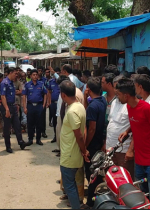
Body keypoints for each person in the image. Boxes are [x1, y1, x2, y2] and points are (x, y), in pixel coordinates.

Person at [116, 78, 150, 209]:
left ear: (126, 95)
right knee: (142, 197)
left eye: (118, 94)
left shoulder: (147, 108)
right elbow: (137, 122)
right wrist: (127, 131)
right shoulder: (129, 107)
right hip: (139, 161)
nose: (117, 97)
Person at [59, 80, 89, 210]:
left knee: (69, 186)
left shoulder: (72, 111)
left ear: (63, 95)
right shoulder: (79, 106)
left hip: (70, 156)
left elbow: (79, 135)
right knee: (72, 185)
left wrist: (84, 151)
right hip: (73, 154)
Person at [84, 77, 107, 208]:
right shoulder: (102, 101)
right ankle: (96, 198)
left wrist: (85, 146)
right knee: (97, 174)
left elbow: (91, 128)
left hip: (92, 145)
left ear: (89, 89)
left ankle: (91, 202)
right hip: (99, 142)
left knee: (91, 174)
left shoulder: (93, 106)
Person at [106, 75, 134, 177]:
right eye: (115, 88)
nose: (116, 91)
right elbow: (110, 123)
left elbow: (136, 129)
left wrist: (130, 150)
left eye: (118, 89)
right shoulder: (114, 102)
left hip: (123, 150)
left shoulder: (131, 105)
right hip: (110, 149)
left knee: (125, 178)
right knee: (112, 177)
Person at [0, 68, 29, 153]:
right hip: (7, 107)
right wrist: (6, 109)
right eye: (15, 73)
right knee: (7, 127)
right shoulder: (4, 83)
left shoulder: (12, 83)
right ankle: (8, 146)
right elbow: (3, 96)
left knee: (17, 125)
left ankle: (21, 142)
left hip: (13, 106)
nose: (16, 75)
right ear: (10, 73)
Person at [22, 69, 47, 146]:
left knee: (39, 123)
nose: (35, 76)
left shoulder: (41, 84)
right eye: (33, 75)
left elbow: (45, 94)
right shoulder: (27, 85)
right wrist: (24, 107)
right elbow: (24, 96)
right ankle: (30, 139)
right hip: (30, 106)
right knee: (30, 123)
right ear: (30, 76)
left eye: (36, 75)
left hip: (39, 106)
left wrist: (43, 104)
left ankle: (38, 139)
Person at [48, 70, 60, 143]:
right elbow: (49, 92)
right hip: (53, 103)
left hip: (59, 104)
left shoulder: (61, 83)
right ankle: (55, 136)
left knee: (59, 121)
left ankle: (59, 137)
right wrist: (49, 102)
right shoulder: (51, 82)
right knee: (54, 121)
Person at [37, 66, 49, 138]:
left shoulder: (45, 80)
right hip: (36, 100)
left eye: (41, 71)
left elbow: (47, 91)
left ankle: (43, 131)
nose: (40, 72)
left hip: (43, 100)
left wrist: (47, 101)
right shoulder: (34, 80)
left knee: (43, 117)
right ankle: (37, 131)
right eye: (38, 70)